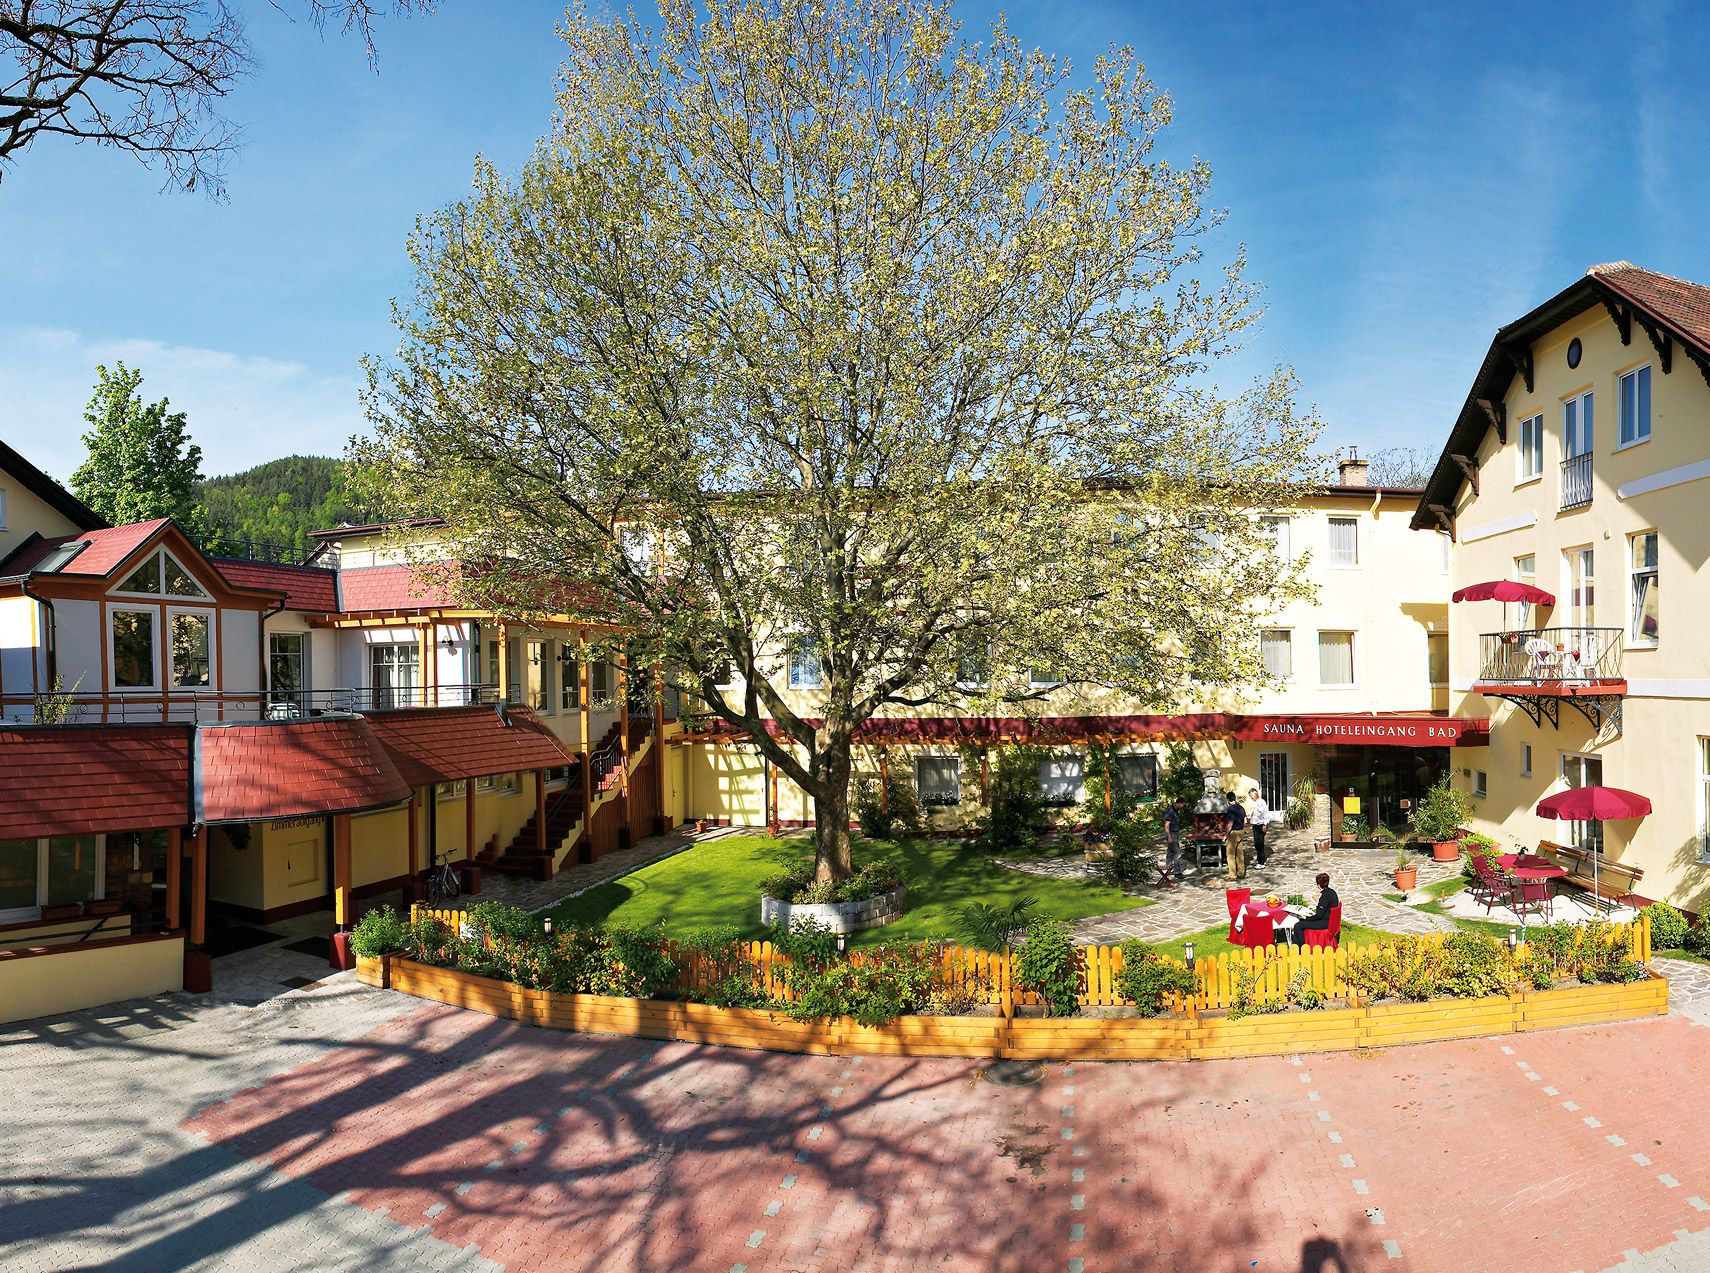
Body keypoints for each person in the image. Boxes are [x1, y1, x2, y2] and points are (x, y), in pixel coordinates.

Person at [1290, 872, 1340, 945]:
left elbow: (1319, 916)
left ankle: (1301, 947)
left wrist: (1306, 918)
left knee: (1298, 925)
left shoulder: (1324, 897)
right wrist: (1316, 908)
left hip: (1325, 923)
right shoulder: (1332, 892)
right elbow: (1325, 907)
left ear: (1318, 885)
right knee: (1302, 922)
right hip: (1330, 920)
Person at [1222, 790, 1248, 882]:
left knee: (1230, 854)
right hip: (1241, 831)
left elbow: (1230, 824)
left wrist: (1225, 835)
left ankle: (1232, 875)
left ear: (1228, 800)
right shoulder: (1241, 808)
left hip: (1233, 833)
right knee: (1240, 853)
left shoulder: (1231, 809)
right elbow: (1245, 821)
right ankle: (1241, 873)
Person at [1160, 796, 1186, 885]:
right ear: (1179, 803)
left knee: (1170, 851)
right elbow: (1166, 825)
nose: (1182, 807)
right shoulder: (1170, 811)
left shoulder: (1176, 810)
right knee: (1177, 853)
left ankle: (1168, 867)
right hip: (1172, 834)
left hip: (1175, 833)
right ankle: (1177, 872)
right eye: (1182, 805)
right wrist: (1169, 837)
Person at [1248, 786, 1270, 867]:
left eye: (1251, 795)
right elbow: (1254, 814)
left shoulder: (1261, 802)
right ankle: (1259, 860)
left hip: (1260, 825)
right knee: (1257, 844)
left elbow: (1266, 814)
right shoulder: (1255, 803)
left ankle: (1261, 862)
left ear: (1255, 794)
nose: (1251, 797)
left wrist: (1265, 825)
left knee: (1259, 844)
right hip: (1255, 825)